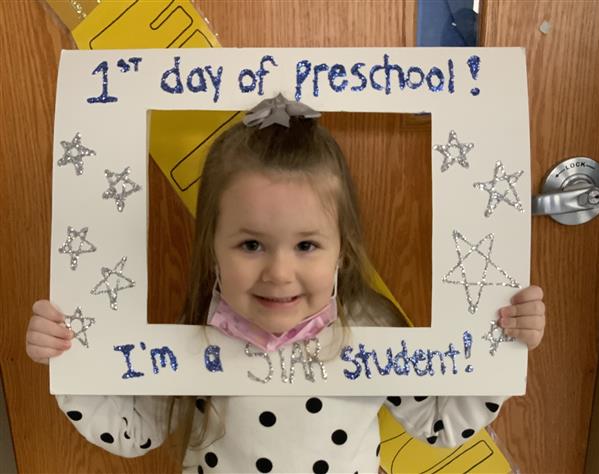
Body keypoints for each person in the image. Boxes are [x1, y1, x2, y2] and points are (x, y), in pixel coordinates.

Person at [26, 96, 546, 473]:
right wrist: (71, 360)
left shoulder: (366, 330)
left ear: (342, 250)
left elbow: (438, 422)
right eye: (251, 245)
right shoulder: (197, 337)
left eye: (306, 246)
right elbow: (135, 431)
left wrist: (500, 346)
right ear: (212, 247)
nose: (278, 273)